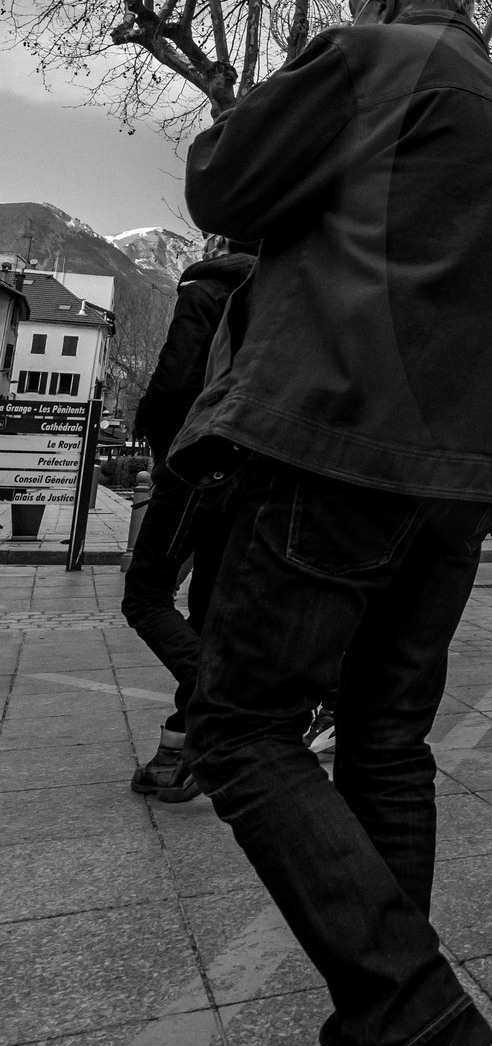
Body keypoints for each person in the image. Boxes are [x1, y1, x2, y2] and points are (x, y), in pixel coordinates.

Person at [172, 0, 492, 1046]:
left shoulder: (374, 55)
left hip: (341, 438)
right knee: (386, 743)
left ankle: (415, 1013)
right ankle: (390, 1019)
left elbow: (221, 180)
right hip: (462, 480)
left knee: (241, 728)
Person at [123, 237, 256, 803]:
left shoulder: (208, 286)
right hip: (251, 467)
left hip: (197, 459)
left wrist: (153, 433)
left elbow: (175, 378)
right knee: (208, 609)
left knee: (145, 597)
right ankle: (179, 751)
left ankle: (223, 696)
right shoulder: (285, 287)